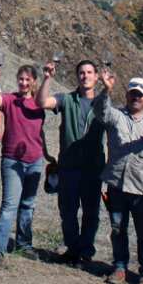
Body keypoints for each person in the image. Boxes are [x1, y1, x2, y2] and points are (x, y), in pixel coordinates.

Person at [35, 58, 108, 267]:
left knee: (91, 213)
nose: (85, 76)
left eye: (89, 73)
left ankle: (85, 252)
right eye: (81, 73)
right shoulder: (66, 99)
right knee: (67, 211)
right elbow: (41, 102)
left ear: (96, 77)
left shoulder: (103, 103)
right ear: (77, 77)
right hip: (69, 166)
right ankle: (72, 249)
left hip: (93, 168)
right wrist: (47, 78)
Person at [98, 74, 143, 284]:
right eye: (133, 94)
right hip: (115, 185)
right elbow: (100, 111)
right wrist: (106, 90)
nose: (136, 98)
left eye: (140, 95)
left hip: (142, 188)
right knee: (117, 229)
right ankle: (120, 268)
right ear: (126, 95)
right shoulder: (115, 116)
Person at [0, 64, 52, 265]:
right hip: (12, 160)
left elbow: (38, 131)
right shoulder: (9, 99)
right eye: (21, 79)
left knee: (28, 204)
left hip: (35, 161)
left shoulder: (39, 103)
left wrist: (47, 153)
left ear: (34, 82)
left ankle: (24, 244)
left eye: (28, 80)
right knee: (10, 204)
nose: (24, 83)